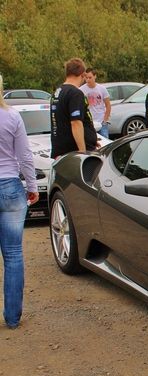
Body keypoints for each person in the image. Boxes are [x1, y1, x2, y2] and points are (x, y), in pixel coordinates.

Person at [0, 74, 39, 329]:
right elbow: (24, 155)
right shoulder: (12, 116)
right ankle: (12, 318)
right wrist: (32, 186)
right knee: (13, 254)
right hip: (10, 188)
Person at [50, 58, 98, 159]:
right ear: (82, 74)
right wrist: (82, 151)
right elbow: (75, 122)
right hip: (74, 152)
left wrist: (90, 139)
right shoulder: (75, 93)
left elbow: (61, 120)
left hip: (62, 149)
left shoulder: (57, 92)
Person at [80, 68, 111, 139]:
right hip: (89, 122)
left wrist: (105, 120)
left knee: (104, 141)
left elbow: (108, 105)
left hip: (101, 121)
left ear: (95, 76)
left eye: (90, 77)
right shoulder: (81, 90)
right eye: (86, 77)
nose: (88, 80)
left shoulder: (102, 89)